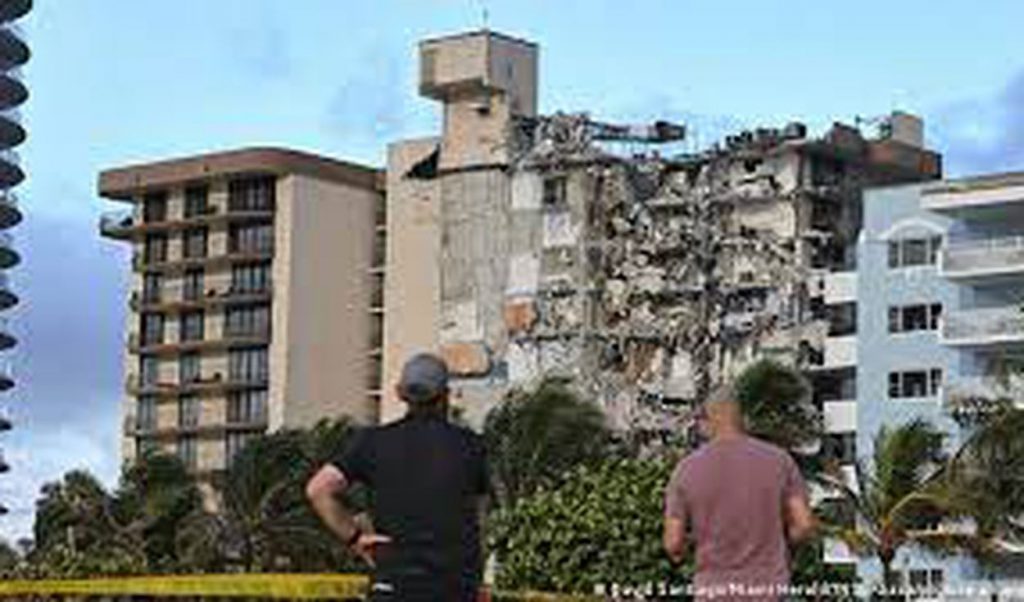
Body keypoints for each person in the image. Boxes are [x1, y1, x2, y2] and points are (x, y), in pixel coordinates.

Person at [306, 353, 489, 601]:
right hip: (454, 587)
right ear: (445, 395)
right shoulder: (471, 447)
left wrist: (355, 538)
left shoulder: (371, 443)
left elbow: (318, 489)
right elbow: (480, 519)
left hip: (392, 584)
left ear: (399, 393)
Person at [663, 383, 816, 601]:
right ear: (741, 416)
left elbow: (672, 543)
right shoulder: (780, 460)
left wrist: (694, 546)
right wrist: (779, 544)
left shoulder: (685, 470)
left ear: (710, 418)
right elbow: (804, 525)